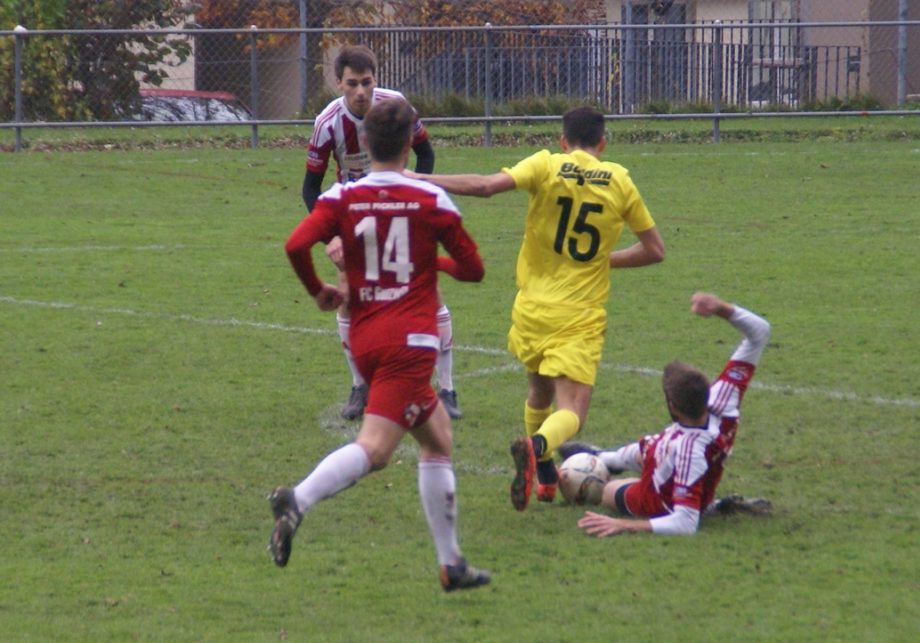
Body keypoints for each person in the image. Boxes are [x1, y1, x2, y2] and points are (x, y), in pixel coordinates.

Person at [271, 98, 490, 591]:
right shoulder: (431, 201)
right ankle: (297, 500)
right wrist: (433, 265)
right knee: (374, 450)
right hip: (410, 342)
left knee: (437, 439)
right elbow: (475, 271)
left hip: (366, 338)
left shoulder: (341, 197)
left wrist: (319, 291)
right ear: (413, 142)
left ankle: (451, 564)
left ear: (365, 142)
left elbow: (293, 245)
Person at [410, 106, 665, 511]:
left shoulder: (546, 165)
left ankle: (546, 480)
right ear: (603, 144)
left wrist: (420, 178)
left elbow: (486, 186)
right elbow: (655, 251)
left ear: (563, 141)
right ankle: (537, 447)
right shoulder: (620, 181)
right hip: (578, 314)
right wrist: (602, 259)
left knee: (537, 394)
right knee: (572, 413)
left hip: (531, 309)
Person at [304, 44, 462, 421]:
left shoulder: (396, 106)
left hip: (401, 208)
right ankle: (360, 385)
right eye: (352, 84)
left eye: (367, 82)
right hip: (355, 217)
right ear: (339, 83)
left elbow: (426, 153)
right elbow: (310, 189)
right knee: (348, 295)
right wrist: (334, 238)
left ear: (376, 80)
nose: (361, 92)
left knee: (428, 287)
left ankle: (448, 388)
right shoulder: (327, 124)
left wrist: (417, 187)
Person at [565, 291, 771, 537]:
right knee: (650, 448)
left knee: (609, 490)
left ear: (673, 406)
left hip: (660, 500)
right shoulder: (722, 398)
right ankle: (604, 457)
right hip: (692, 460)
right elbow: (760, 332)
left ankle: (709, 506)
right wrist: (721, 308)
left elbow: (685, 523)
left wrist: (625, 525)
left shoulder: (687, 451)